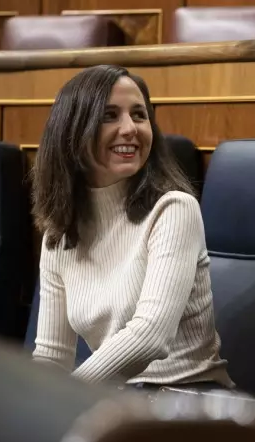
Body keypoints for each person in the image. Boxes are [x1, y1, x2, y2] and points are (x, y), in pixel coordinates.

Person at [30, 64, 233, 390]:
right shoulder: (61, 231)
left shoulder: (174, 209)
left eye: (139, 115)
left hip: (183, 403)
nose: (130, 128)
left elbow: (150, 336)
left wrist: (64, 397)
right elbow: (52, 356)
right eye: (110, 115)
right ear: (72, 131)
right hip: (115, 402)